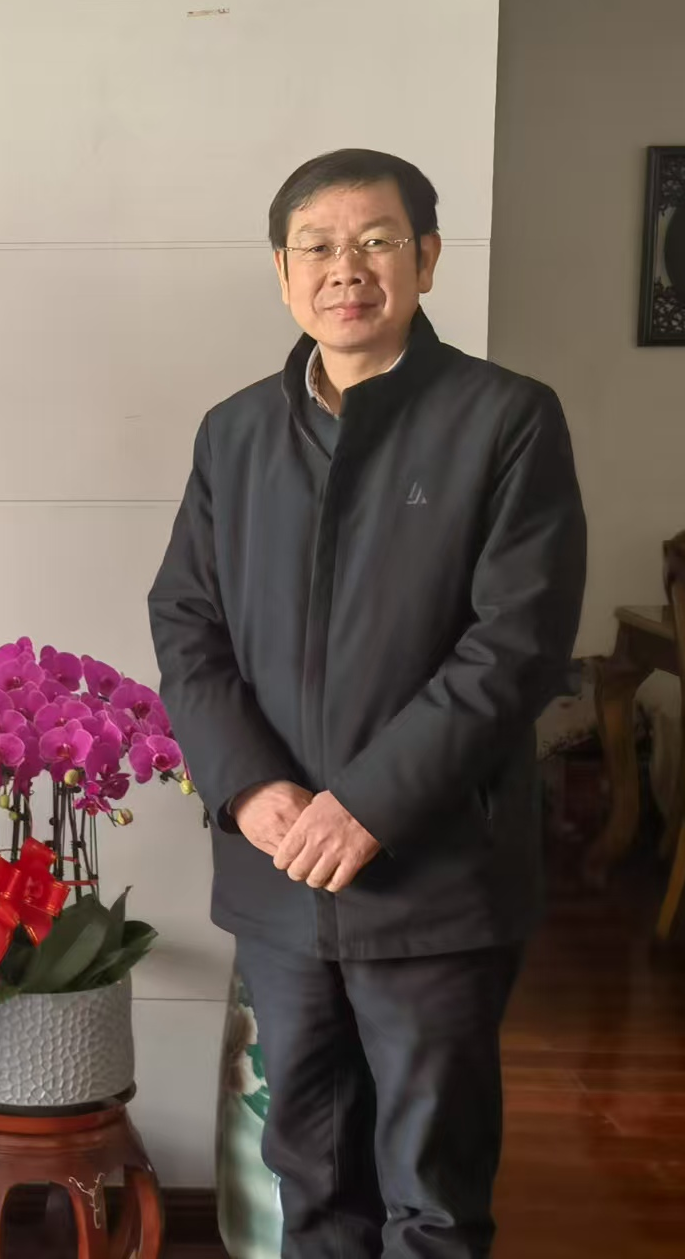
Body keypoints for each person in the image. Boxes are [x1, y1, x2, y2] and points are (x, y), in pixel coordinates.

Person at [148, 149, 588, 1259]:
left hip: (433, 874)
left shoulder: (505, 419)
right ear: (283, 272)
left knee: (432, 1191)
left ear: (426, 259)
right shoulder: (235, 433)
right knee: (308, 1175)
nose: (345, 268)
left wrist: (371, 805)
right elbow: (186, 623)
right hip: (279, 870)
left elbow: (516, 645)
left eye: (377, 241)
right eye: (317, 246)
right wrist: (249, 787)